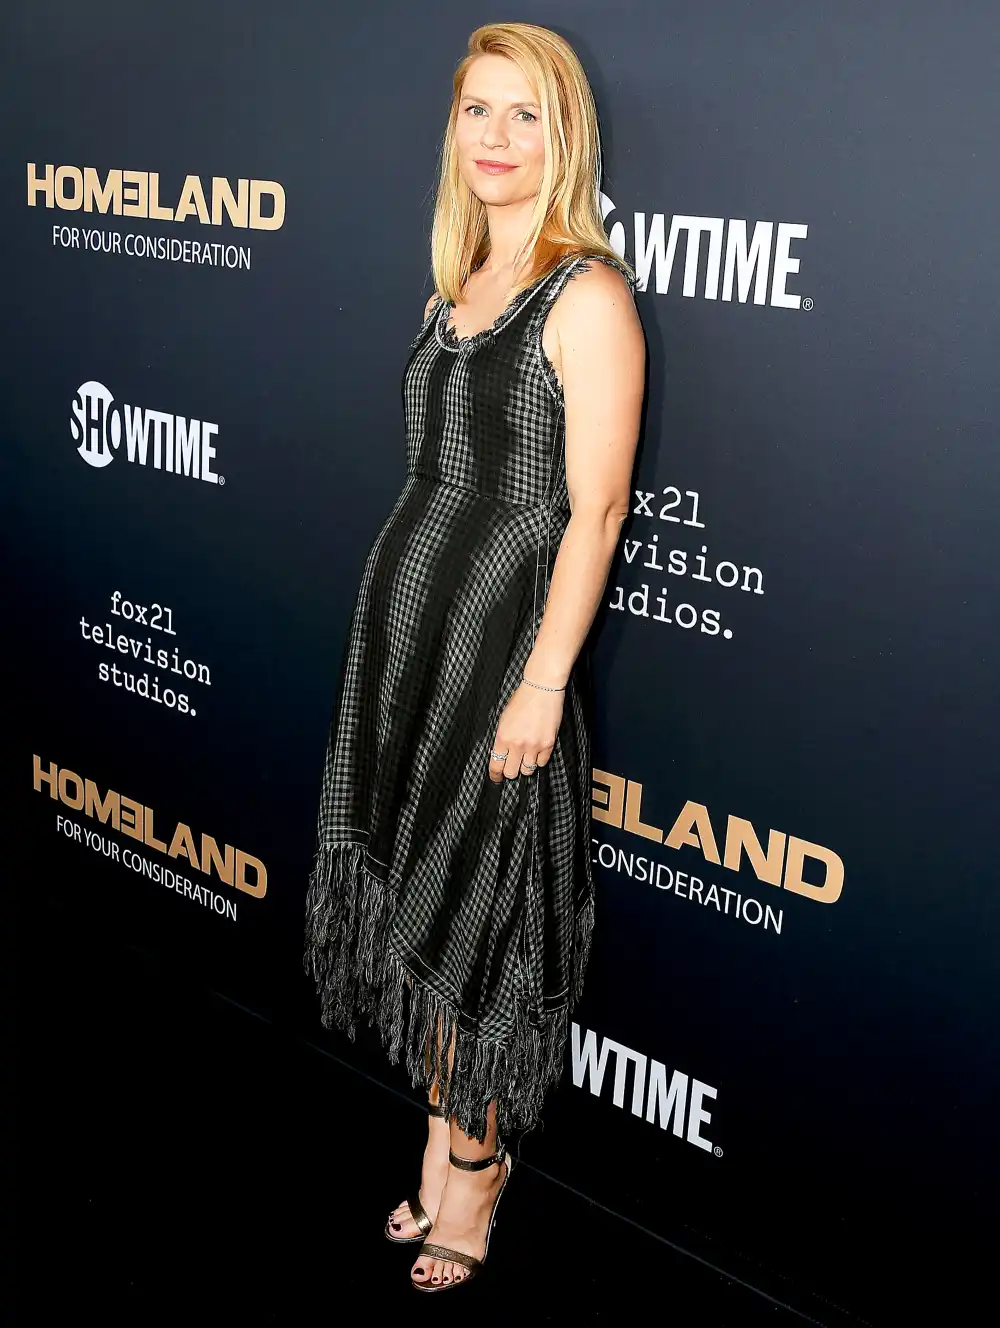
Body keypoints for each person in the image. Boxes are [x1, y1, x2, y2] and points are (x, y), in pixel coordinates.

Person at [303, 20, 645, 1293]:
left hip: (498, 653)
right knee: (414, 884)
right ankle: (441, 1132)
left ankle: (476, 1165)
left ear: (565, 140)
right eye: (476, 112)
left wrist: (545, 679)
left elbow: (592, 510)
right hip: (405, 635)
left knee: (480, 906)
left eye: (525, 117)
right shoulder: (457, 279)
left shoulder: (586, 292)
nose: (495, 140)